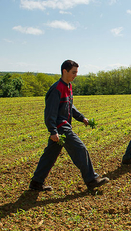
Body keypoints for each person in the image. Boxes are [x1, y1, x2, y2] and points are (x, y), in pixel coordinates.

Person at [29, 60, 109, 191]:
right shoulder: (56, 89)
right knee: (80, 149)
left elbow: (70, 106)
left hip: (63, 126)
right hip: (61, 128)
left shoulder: (68, 86)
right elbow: (50, 113)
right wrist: (53, 131)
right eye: (73, 72)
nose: (75, 75)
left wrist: (82, 118)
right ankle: (92, 179)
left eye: (77, 72)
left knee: (50, 155)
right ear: (64, 71)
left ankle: (36, 182)